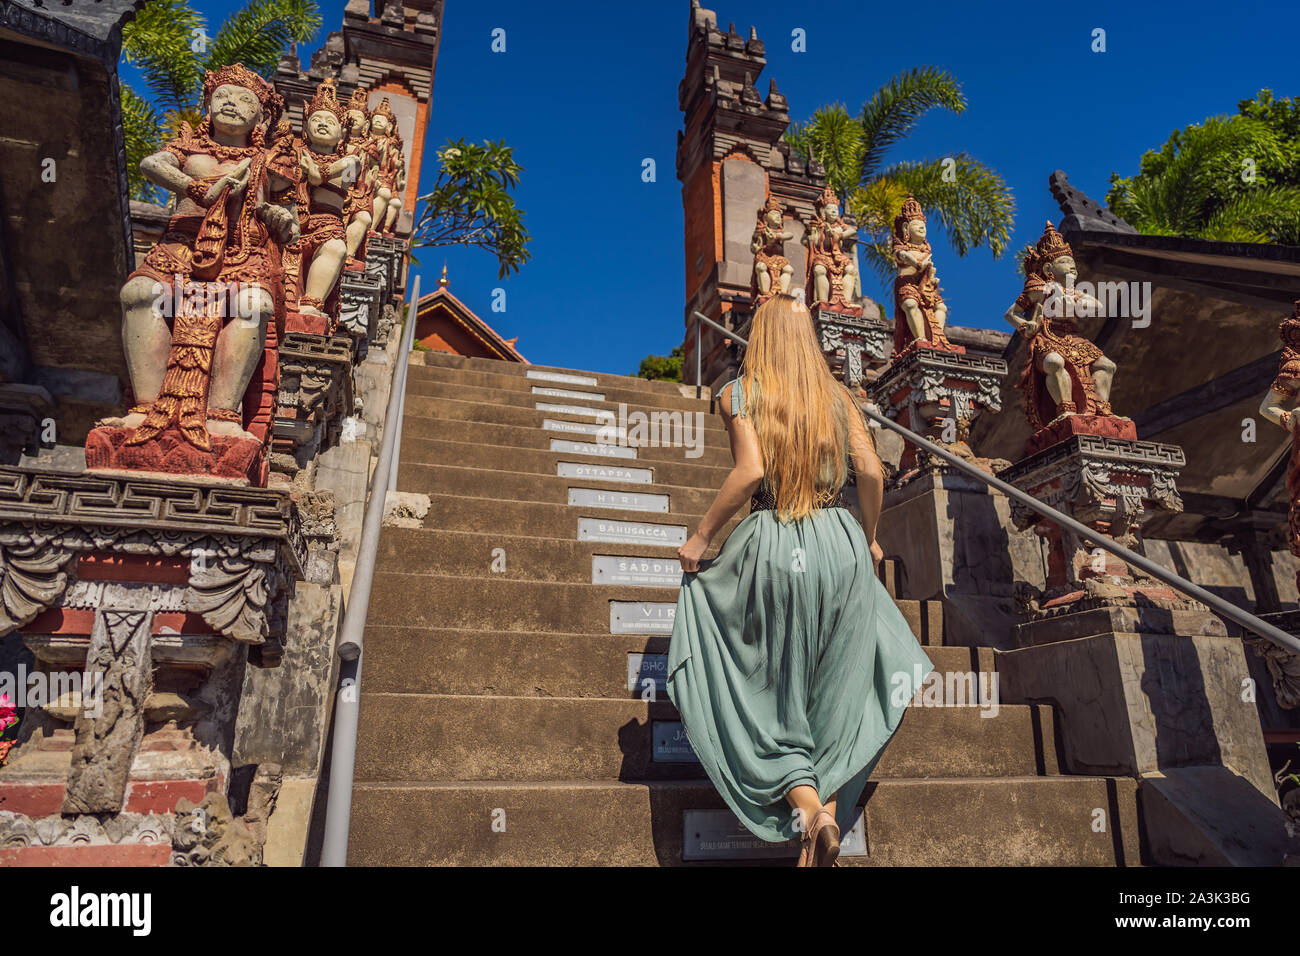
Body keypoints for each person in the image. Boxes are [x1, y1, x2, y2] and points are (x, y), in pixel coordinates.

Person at [667, 293, 934, 867]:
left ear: (757, 338)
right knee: (838, 690)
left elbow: (751, 472)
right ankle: (826, 820)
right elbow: (869, 469)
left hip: (774, 541)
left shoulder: (738, 394)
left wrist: (700, 538)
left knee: (774, 691)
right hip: (840, 544)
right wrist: (865, 536)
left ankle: (810, 813)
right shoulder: (837, 396)